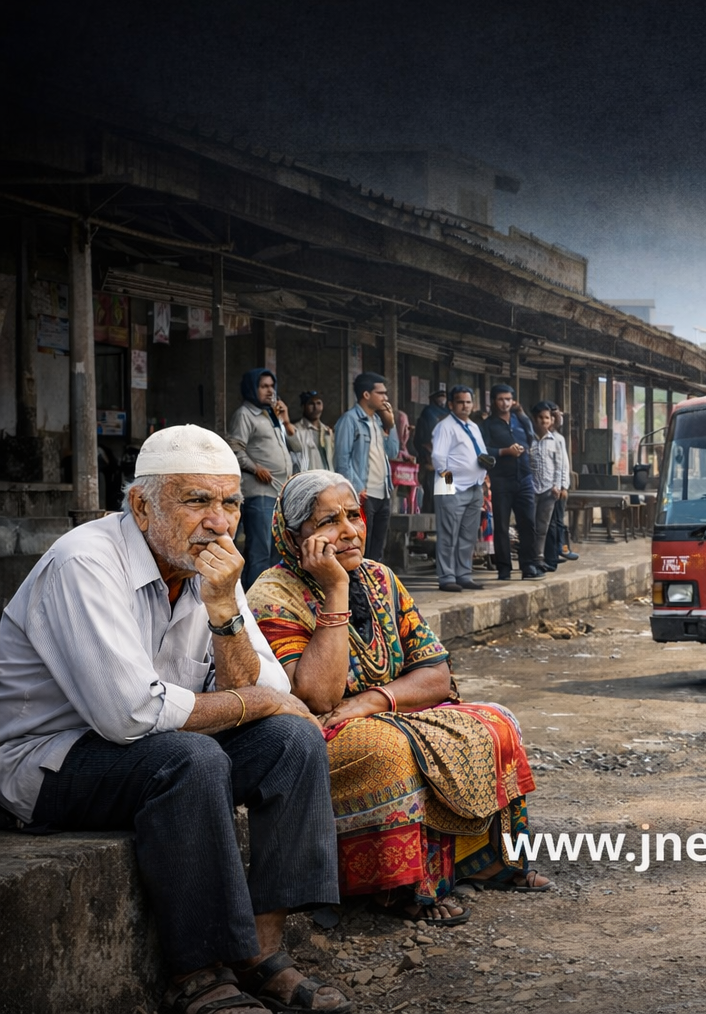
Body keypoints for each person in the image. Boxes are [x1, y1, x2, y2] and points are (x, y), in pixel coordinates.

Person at [0, 425, 347, 1014]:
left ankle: (260, 953)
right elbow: (130, 714)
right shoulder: (85, 561)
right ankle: (199, 973)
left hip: (145, 750)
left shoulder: (211, 570)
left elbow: (265, 686)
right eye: (197, 501)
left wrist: (222, 613)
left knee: (291, 741)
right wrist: (259, 702)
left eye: (231, 503)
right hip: (47, 762)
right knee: (192, 756)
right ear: (141, 503)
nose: (218, 521)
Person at [248, 471, 550, 927]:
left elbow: (436, 674)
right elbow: (317, 696)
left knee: (497, 720)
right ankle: (400, 888)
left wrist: (375, 700)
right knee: (388, 752)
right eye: (329, 521)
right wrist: (333, 590)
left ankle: (487, 860)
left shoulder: (380, 579)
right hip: (314, 737)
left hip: (378, 712)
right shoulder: (272, 596)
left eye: (354, 515)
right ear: (296, 537)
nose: (350, 530)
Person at [227, 367, 299, 587]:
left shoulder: (272, 415)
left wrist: (285, 420)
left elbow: (296, 446)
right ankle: (254, 603)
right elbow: (234, 447)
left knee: (276, 551)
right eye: (264, 386)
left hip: (278, 494)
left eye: (272, 386)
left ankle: (270, 598)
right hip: (258, 494)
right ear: (252, 388)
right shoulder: (245, 414)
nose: (270, 391)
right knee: (259, 551)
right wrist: (255, 467)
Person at [333, 372, 399, 564]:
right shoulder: (349, 420)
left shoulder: (378, 421)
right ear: (366, 395)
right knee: (362, 544)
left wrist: (391, 424)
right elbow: (342, 460)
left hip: (383, 493)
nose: (386, 398)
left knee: (378, 547)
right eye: (381, 393)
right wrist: (356, 487)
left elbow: (393, 452)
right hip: (364, 494)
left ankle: (375, 587)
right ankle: (360, 589)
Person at [431, 386, 492, 592]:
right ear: (451, 405)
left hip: (474, 486)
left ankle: (464, 574)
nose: (465, 406)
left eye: (468, 402)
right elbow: (439, 458)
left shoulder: (473, 426)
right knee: (448, 533)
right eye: (460, 402)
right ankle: (447, 577)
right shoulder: (445, 426)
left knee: (468, 533)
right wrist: (449, 485)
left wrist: (482, 479)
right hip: (449, 484)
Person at [479, 385, 541, 580]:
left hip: (524, 478)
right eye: (501, 399)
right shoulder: (488, 425)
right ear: (494, 402)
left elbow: (532, 439)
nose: (505, 403)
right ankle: (504, 568)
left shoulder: (519, 420)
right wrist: (505, 451)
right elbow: (482, 451)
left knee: (528, 524)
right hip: (501, 480)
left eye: (508, 399)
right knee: (502, 526)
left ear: (513, 401)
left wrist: (522, 415)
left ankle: (528, 565)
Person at [527, 402, 569, 574]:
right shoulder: (528, 439)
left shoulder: (555, 441)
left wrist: (558, 486)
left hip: (548, 490)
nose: (544, 421)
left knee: (543, 527)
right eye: (541, 418)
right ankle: (529, 560)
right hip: (449, 484)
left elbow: (560, 466)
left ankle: (539, 559)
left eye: (547, 418)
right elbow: (442, 463)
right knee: (530, 526)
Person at [548, 404, 579, 564]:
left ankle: (561, 548)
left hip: (560, 487)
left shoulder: (559, 438)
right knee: (553, 522)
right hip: (551, 487)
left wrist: (564, 486)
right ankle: (554, 551)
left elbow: (563, 465)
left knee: (559, 520)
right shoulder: (549, 438)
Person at [413, 389, 450, 516]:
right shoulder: (428, 414)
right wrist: (425, 456)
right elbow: (420, 440)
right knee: (431, 493)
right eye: (439, 396)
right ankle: (429, 527)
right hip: (431, 462)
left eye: (444, 396)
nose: (442, 399)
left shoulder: (450, 414)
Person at [294, 391, 335, 473]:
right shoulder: (296, 429)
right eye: (311, 404)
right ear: (303, 407)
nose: (315, 407)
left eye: (318, 403)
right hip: (308, 478)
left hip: (327, 478)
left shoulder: (327, 431)